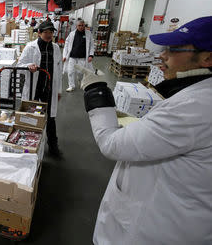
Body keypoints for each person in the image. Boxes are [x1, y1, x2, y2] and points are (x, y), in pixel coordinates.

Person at [78, 16, 212, 245]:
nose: (162, 55)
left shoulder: (194, 108)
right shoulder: (196, 98)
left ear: (207, 58)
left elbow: (111, 143)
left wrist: (96, 91)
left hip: (150, 229)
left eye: (173, 49)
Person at [18, 20, 63, 158]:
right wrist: (28, 66)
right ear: (39, 33)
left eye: (51, 32)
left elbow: (59, 70)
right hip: (34, 87)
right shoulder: (30, 47)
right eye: (46, 32)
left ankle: (53, 146)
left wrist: (59, 90)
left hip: (49, 88)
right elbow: (20, 65)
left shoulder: (55, 48)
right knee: (30, 115)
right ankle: (28, 143)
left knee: (50, 117)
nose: (49, 35)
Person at [63, 20, 94, 92]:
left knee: (80, 72)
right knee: (70, 72)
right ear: (76, 26)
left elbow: (92, 45)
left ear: (84, 26)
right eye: (79, 25)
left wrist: (91, 55)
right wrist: (64, 55)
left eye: (82, 25)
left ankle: (80, 80)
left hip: (82, 57)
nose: (81, 27)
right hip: (72, 56)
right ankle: (71, 86)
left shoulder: (88, 34)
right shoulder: (72, 34)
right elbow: (66, 45)